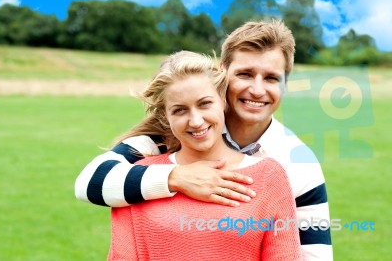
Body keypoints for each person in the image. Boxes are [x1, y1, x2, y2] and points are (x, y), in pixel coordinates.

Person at [75, 19, 332, 260]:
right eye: (244, 74)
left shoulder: (298, 164)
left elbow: (315, 255)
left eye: (271, 78)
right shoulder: (168, 137)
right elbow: (89, 182)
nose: (257, 89)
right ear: (223, 75)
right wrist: (176, 177)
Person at [108, 50, 301, 260]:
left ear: (223, 101)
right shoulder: (137, 179)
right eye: (180, 110)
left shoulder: (269, 177)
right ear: (166, 117)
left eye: (204, 104)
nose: (196, 121)